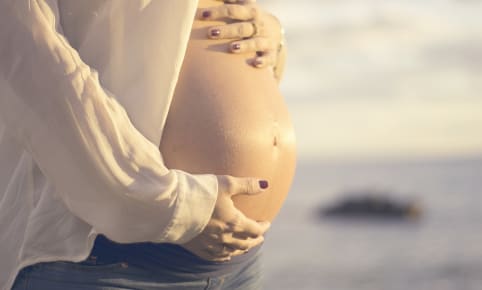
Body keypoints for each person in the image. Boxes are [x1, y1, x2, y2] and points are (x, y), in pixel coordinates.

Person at [0, 0, 292, 289]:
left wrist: (269, 32)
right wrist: (170, 205)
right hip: (107, 260)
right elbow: (29, 54)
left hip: (241, 262)